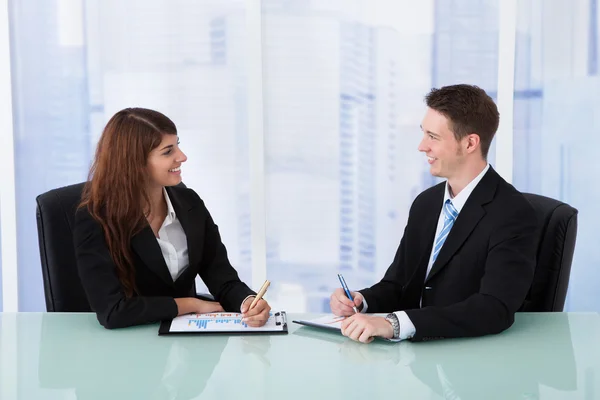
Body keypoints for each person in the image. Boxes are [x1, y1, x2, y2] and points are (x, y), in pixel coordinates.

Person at [330, 84, 538, 343]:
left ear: (470, 143)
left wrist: (393, 324)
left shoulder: (512, 214)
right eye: (423, 134)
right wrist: (362, 301)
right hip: (418, 361)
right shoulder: (426, 203)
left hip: (469, 358)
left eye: (433, 137)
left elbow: (494, 309)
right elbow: (399, 283)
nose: (421, 146)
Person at [74, 107, 270, 329]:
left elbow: (223, 279)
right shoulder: (96, 219)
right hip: (129, 346)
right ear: (134, 163)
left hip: (187, 346)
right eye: (168, 151)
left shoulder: (189, 203)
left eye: (178, 144)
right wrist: (189, 304)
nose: (182, 156)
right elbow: (113, 312)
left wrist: (248, 302)